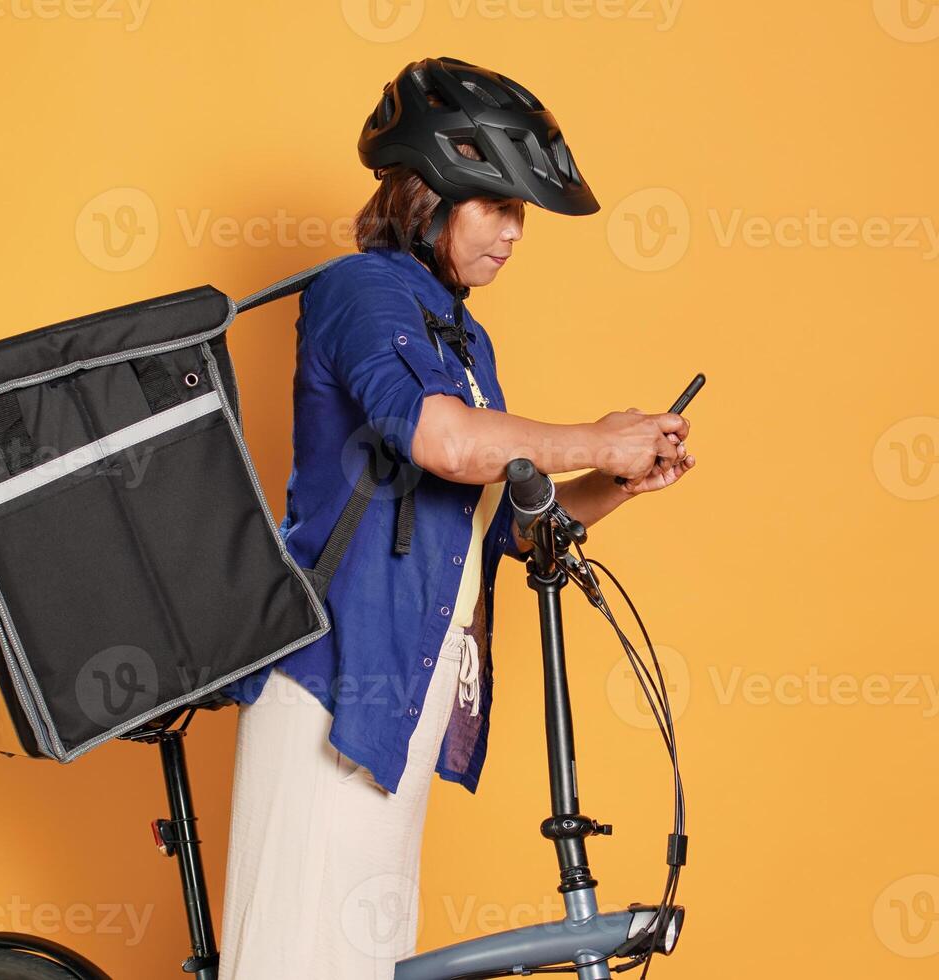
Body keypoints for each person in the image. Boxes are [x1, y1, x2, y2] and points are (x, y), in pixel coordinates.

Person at [215, 56, 696, 979]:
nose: (514, 235)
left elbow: (506, 522)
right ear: (427, 194)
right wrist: (597, 436)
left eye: (519, 214)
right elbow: (441, 441)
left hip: (401, 697)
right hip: (332, 682)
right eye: (498, 207)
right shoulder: (361, 290)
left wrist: (618, 481)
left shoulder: (462, 336)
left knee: (366, 964)